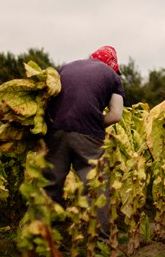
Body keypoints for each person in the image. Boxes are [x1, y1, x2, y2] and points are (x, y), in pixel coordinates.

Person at [43, 45, 125, 233]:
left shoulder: (65, 68)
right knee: (95, 185)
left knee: (50, 183)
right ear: (113, 65)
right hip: (88, 135)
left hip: (56, 130)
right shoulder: (112, 76)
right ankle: (100, 240)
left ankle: (38, 234)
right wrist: (95, 124)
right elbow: (116, 115)